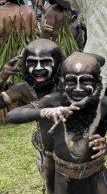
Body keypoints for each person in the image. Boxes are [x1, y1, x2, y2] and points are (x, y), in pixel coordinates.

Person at [8, 52, 107, 194]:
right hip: (64, 178)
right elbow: (11, 116)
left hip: (95, 175)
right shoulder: (53, 101)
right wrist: (44, 112)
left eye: (85, 81)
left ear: (98, 82)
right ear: (61, 82)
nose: (78, 88)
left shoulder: (105, 105)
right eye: (71, 81)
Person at [5, 39, 65, 193]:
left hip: (74, 150)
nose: (38, 68)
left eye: (45, 62)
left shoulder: (70, 84)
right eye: (32, 63)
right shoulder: (25, 89)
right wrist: (3, 75)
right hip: (46, 152)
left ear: (58, 63)